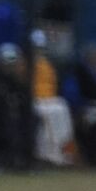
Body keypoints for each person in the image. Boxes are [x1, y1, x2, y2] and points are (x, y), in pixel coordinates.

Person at [29, 30, 74, 167]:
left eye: (40, 47)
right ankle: (45, 154)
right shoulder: (26, 64)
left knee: (62, 107)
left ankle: (63, 152)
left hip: (49, 99)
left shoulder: (47, 65)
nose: (38, 50)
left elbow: (53, 86)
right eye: (36, 47)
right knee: (45, 115)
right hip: (35, 100)